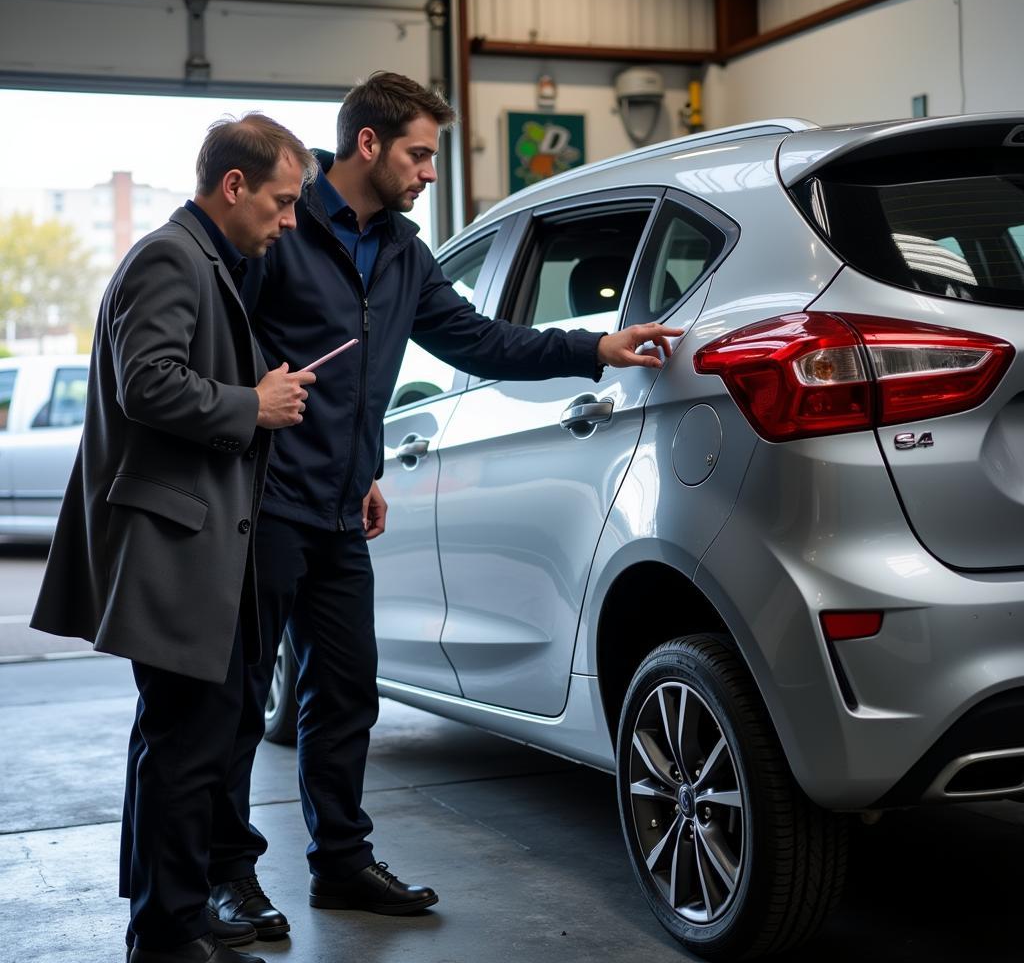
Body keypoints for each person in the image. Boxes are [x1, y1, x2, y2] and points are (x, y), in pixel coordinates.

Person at [205, 71, 683, 933]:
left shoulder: (401, 251)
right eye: (419, 153)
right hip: (267, 501)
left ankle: (341, 863)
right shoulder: (280, 226)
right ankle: (226, 876)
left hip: (342, 508)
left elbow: (478, 339)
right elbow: (223, 343)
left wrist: (596, 345)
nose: (429, 171)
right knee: (241, 699)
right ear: (368, 144)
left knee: (346, 691)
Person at [29, 114, 318, 963]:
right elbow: (147, 382)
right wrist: (251, 406)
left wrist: (256, 394)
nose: (289, 221)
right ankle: (164, 935)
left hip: (195, 547)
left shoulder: (201, 258)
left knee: (183, 743)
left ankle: (174, 913)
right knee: (186, 746)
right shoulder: (171, 257)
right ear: (234, 186)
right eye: (282, 201)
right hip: (173, 550)